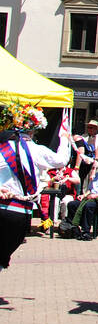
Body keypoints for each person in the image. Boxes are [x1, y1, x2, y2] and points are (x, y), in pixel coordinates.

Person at [0, 105, 71, 274]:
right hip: (18, 213)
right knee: (2, 256)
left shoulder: (1, 148)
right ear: (33, 131)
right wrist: (65, 139)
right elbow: (62, 160)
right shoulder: (37, 150)